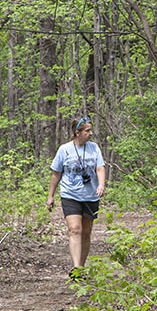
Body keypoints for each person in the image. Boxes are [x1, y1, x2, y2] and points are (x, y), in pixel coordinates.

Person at [47, 117, 106, 277]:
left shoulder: (94, 148)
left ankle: (81, 266)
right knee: (75, 230)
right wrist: (50, 195)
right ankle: (76, 268)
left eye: (90, 130)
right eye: (87, 131)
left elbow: (100, 168)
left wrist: (101, 185)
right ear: (77, 132)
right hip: (70, 195)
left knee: (86, 233)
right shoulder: (64, 149)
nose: (90, 133)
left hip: (90, 196)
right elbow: (56, 173)